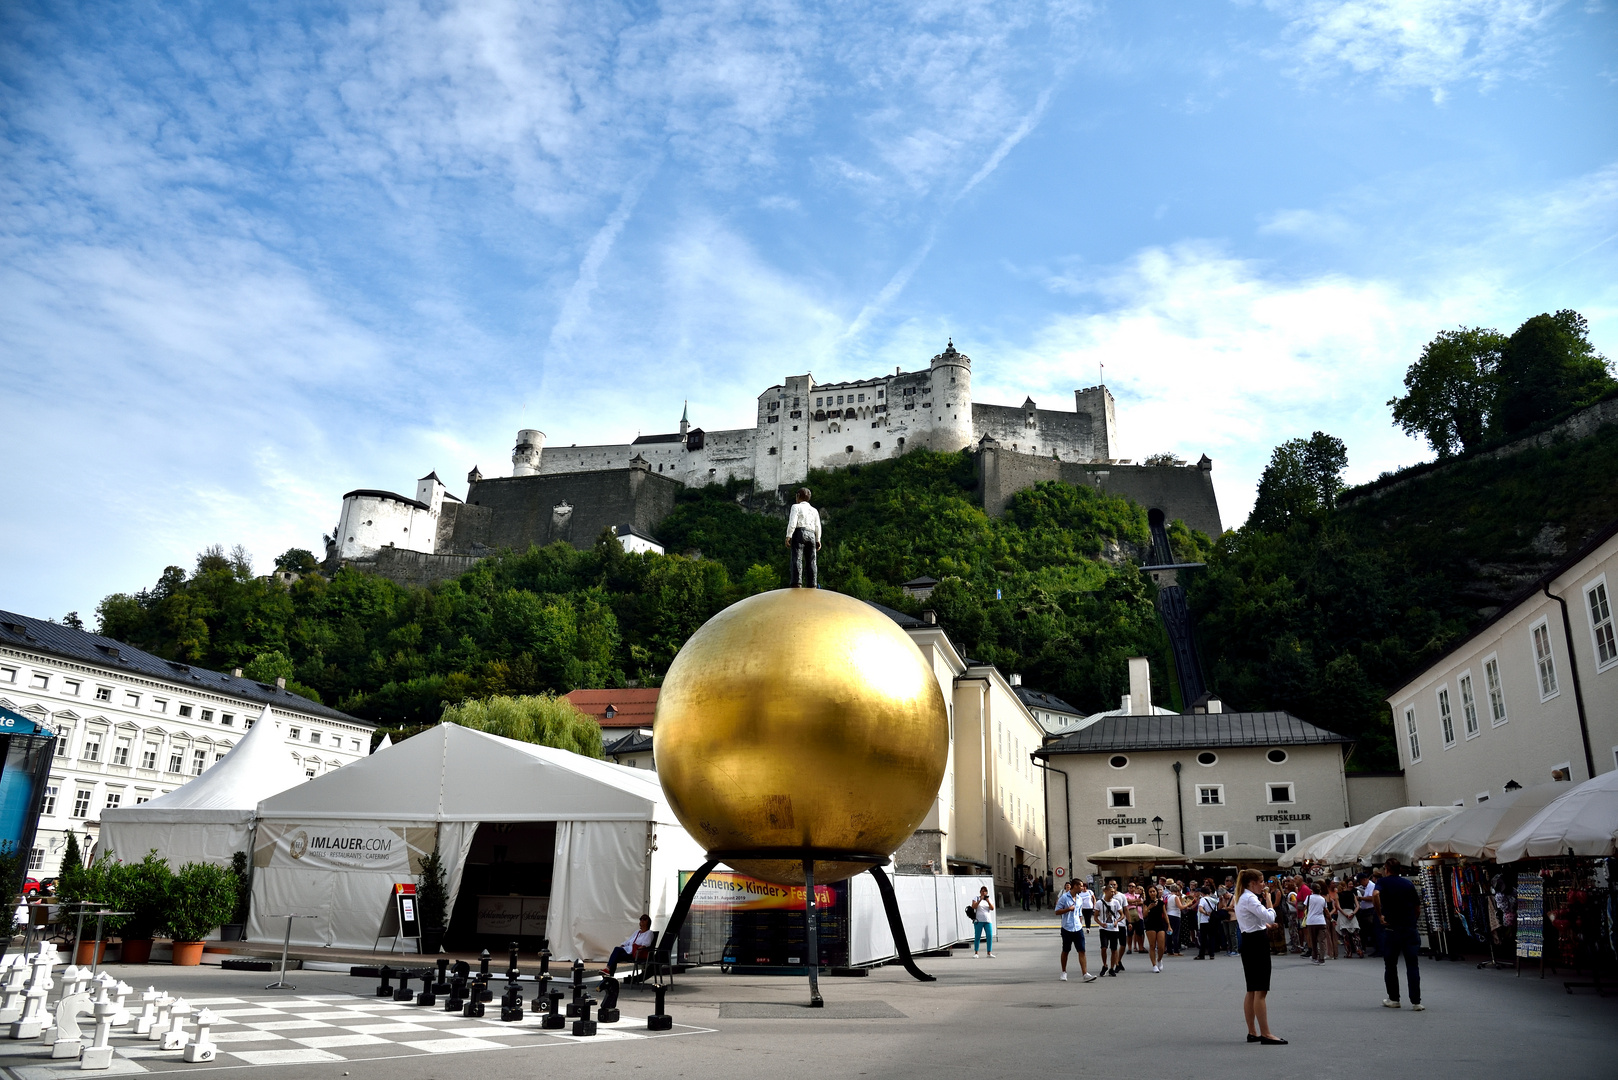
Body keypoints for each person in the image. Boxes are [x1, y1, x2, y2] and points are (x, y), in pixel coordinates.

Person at [1235, 868, 1287, 1044]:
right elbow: (1270, 916)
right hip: (1257, 943)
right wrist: (1270, 902)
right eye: (1262, 881)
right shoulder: (1250, 898)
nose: (1264, 885)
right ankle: (1265, 1033)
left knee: (1251, 989)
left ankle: (1253, 1031)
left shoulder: (1242, 897)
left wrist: (1264, 925)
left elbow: (1253, 920)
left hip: (1249, 940)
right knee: (1261, 989)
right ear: (1252, 883)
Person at [1373, 858, 1424, 1010]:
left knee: (1390, 964)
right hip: (1409, 927)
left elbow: (1375, 895)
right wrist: (1412, 921)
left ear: (1387, 869)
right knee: (1412, 964)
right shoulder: (1408, 884)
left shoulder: (1383, 882)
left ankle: (1394, 999)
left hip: (1392, 928)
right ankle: (1416, 1001)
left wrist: (1380, 914)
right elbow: (1417, 907)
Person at [1054, 880, 1098, 982]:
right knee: (1066, 950)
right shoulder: (1064, 897)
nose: (1082, 888)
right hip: (1067, 927)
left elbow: (1079, 912)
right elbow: (1057, 911)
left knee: (1082, 950)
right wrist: (1068, 909)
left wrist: (1080, 922)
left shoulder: (1079, 898)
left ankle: (1085, 973)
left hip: (1077, 927)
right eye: (1081, 886)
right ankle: (1063, 972)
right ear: (1075, 886)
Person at [784, 487, 821, 588]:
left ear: (798, 496)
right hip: (812, 534)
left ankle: (797, 582)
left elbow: (792, 522)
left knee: (797, 558)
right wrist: (818, 540)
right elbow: (818, 526)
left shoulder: (796, 507)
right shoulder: (814, 510)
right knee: (812, 560)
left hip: (799, 532)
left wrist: (788, 535)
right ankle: (812, 583)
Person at [1097, 880, 1128, 975]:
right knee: (1104, 947)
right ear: (1105, 891)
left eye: (1114, 891)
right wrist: (1101, 923)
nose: (1113, 893)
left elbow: (1122, 914)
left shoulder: (1116, 902)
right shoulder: (1099, 902)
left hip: (1114, 928)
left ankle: (1112, 967)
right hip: (1104, 928)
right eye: (1111, 891)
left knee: (1114, 948)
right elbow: (1095, 916)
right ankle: (1104, 965)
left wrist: (1117, 921)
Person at [1143, 884, 1170, 972]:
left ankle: (1159, 959)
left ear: (1156, 892)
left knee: (1161, 946)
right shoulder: (1146, 902)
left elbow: (1165, 914)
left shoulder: (1161, 902)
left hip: (1160, 924)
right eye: (1150, 892)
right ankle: (1154, 964)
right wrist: (1149, 908)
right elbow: (1144, 915)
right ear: (1148, 893)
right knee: (1152, 945)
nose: (1152, 893)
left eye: (1154, 891)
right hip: (1150, 924)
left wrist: (1169, 925)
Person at [1304, 879, 1329, 965]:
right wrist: (1330, 918)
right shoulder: (1323, 899)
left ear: (1312, 890)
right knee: (1322, 941)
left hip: (1311, 921)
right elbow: (1325, 910)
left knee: (1313, 940)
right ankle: (1322, 958)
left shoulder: (1309, 897)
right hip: (1321, 921)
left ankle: (1315, 956)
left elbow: (1305, 907)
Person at [1356, 872, 1380, 956]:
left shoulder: (1372, 886)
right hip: (1364, 911)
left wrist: (1360, 898)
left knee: (1373, 930)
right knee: (1364, 930)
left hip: (1370, 910)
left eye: (1360, 881)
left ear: (1364, 880)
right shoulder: (1364, 887)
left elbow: (1371, 898)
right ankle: (1365, 947)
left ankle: (1377, 948)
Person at [1195, 886, 1220, 960]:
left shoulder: (1203, 899)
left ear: (1202, 893)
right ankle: (1212, 954)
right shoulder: (1214, 900)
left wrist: (1205, 913)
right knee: (1212, 937)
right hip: (1212, 920)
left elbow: (1200, 908)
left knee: (1203, 939)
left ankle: (1201, 954)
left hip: (1204, 921)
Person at [970, 885, 996, 957]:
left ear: (987, 892)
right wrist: (980, 900)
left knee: (989, 935)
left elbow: (992, 908)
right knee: (977, 936)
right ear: (980, 892)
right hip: (979, 920)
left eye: (985, 891)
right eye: (982, 891)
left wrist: (988, 901)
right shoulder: (976, 898)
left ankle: (989, 952)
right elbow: (973, 906)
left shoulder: (989, 899)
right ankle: (976, 952)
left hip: (987, 920)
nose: (983, 892)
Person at [1165, 881, 1183, 955]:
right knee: (1175, 933)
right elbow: (1180, 907)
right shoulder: (1175, 897)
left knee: (1169, 933)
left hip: (1168, 914)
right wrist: (1188, 904)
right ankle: (1176, 950)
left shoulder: (1167, 896)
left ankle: (1169, 950)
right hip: (1175, 915)